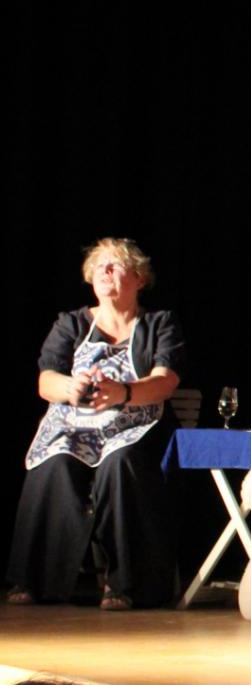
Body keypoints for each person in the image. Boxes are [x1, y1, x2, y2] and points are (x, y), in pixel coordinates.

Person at [6, 238, 185, 609]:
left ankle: (128, 585)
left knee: (121, 463)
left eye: (116, 265)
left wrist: (123, 392)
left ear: (139, 279)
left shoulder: (158, 324)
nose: (106, 271)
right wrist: (70, 388)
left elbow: (165, 381)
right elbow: (45, 381)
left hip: (134, 426)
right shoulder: (71, 323)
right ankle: (34, 580)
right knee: (54, 462)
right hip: (75, 426)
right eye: (100, 265)